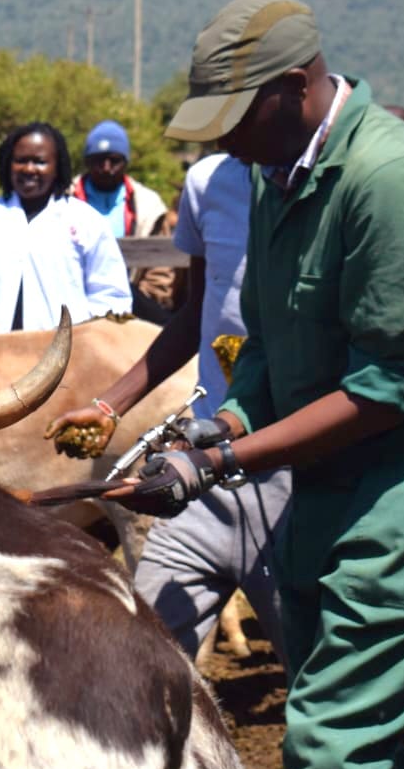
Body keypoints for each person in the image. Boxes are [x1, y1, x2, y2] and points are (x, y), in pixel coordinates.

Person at [106, 0, 404, 769]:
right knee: (336, 700)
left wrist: (219, 461)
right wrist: (218, 427)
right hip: (333, 462)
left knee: (334, 745)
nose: (224, 140)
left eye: (236, 116)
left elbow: (385, 390)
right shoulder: (271, 172)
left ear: (297, 85)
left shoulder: (387, 181)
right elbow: (267, 344)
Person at [46, 146, 291, 665]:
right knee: (145, 656)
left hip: (295, 473)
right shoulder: (208, 182)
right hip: (207, 465)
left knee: (315, 677)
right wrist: (110, 405)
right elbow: (197, 312)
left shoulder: (327, 185)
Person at [0, 121, 132, 335]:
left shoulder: (86, 221)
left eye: (40, 162)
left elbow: (111, 293)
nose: (29, 169)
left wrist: (86, 337)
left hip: (64, 357)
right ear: (7, 164)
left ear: (57, 167)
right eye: (21, 161)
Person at [71, 119, 179, 323]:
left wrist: (137, 304)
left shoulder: (149, 206)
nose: (106, 167)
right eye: (98, 160)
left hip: (134, 310)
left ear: (126, 162)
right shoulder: (64, 199)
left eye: (114, 160)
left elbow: (161, 270)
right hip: (74, 308)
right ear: (87, 161)